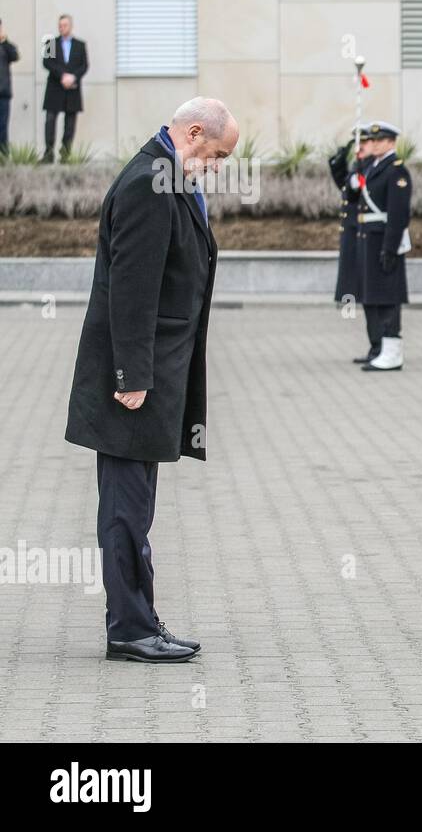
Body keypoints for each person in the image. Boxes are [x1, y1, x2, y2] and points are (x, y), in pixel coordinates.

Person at [64, 97, 237, 663]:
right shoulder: (149, 184)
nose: (216, 166)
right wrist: (130, 375)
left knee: (134, 509)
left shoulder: (166, 177)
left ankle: (137, 622)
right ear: (192, 134)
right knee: (125, 510)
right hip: (131, 382)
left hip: (148, 374)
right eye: (216, 155)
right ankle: (130, 630)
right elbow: (131, 290)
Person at [353, 121, 412, 371]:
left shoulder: (396, 170)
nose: (372, 144)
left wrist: (390, 248)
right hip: (368, 239)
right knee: (373, 296)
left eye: (378, 140)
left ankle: (392, 352)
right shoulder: (372, 166)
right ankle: (379, 348)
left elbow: (398, 215)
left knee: (388, 297)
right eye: (371, 140)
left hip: (384, 241)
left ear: (391, 142)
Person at [328, 130, 374, 361]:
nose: (359, 149)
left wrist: (359, 182)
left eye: (362, 144)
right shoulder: (358, 167)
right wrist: (340, 158)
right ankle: (376, 346)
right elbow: (343, 185)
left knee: (370, 295)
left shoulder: (372, 169)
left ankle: (380, 346)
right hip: (354, 238)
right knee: (362, 294)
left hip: (363, 238)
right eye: (357, 144)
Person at [41, 14, 88, 163]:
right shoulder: (51, 43)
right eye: (60, 25)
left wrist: (73, 77)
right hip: (55, 87)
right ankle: (48, 153)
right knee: (50, 121)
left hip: (72, 89)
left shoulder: (80, 45)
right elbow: (46, 62)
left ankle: (65, 154)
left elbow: (84, 65)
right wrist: (62, 75)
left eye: (65, 25)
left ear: (71, 26)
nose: (62, 28)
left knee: (70, 124)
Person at [0, 20, 18, 156]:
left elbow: (15, 56)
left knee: (2, 127)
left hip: (3, 93)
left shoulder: (5, 46)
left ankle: (4, 158)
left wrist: (4, 41)